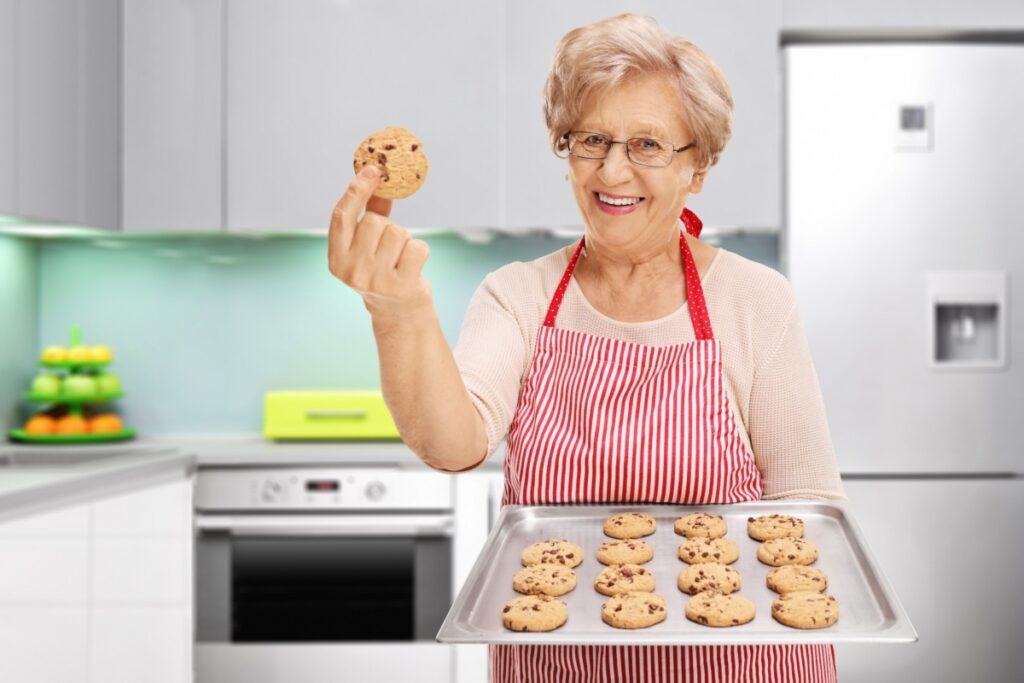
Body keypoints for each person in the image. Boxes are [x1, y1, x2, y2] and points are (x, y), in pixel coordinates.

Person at [329, 12, 844, 683]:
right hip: (560, 666)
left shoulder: (756, 301)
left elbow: (806, 522)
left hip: (733, 664)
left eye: (648, 145)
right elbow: (452, 443)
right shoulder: (516, 296)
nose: (613, 170)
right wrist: (399, 311)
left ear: (700, 167)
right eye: (591, 139)